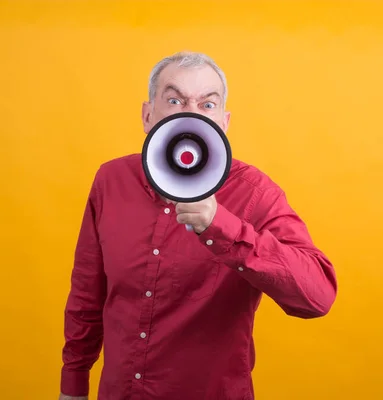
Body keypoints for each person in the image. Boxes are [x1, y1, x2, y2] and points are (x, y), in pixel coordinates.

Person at [59, 51, 338, 400]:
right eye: (174, 100)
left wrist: (223, 228)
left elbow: (318, 297)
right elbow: (87, 294)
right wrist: (74, 383)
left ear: (223, 122)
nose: (191, 114)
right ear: (148, 115)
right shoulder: (111, 180)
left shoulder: (256, 194)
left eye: (207, 104)